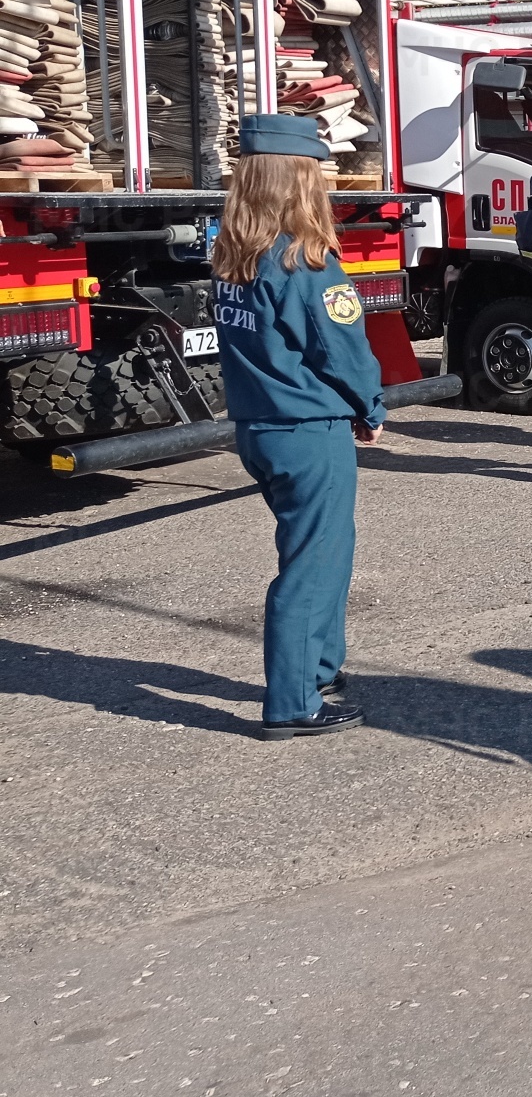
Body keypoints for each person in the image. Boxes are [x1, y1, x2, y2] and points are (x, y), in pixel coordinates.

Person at [210, 114, 383, 740]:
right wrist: (371, 407)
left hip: (259, 425)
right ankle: (292, 702)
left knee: (316, 553)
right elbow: (343, 352)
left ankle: (320, 668)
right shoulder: (307, 262)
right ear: (300, 179)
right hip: (309, 428)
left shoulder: (233, 257)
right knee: (314, 564)